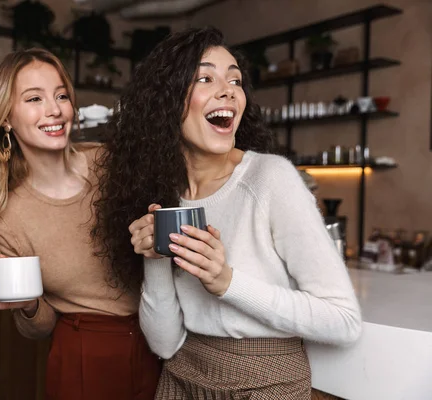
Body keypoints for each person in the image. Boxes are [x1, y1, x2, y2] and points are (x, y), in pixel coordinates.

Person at [92, 27, 362, 399]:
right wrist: (154, 260)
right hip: (181, 378)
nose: (228, 90)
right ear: (167, 103)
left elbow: (343, 320)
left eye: (235, 79)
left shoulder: (271, 179)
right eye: (205, 78)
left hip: (266, 383)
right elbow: (165, 344)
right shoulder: (166, 198)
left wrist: (227, 282)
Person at [0, 48, 161, 400]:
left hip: (164, 340)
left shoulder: (112, 163)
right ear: (6, 118)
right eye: (34, 99)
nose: (54, 110)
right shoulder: (9, 217)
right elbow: (40, 327)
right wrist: (27, 304)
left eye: (61, 95)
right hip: (87, 357)